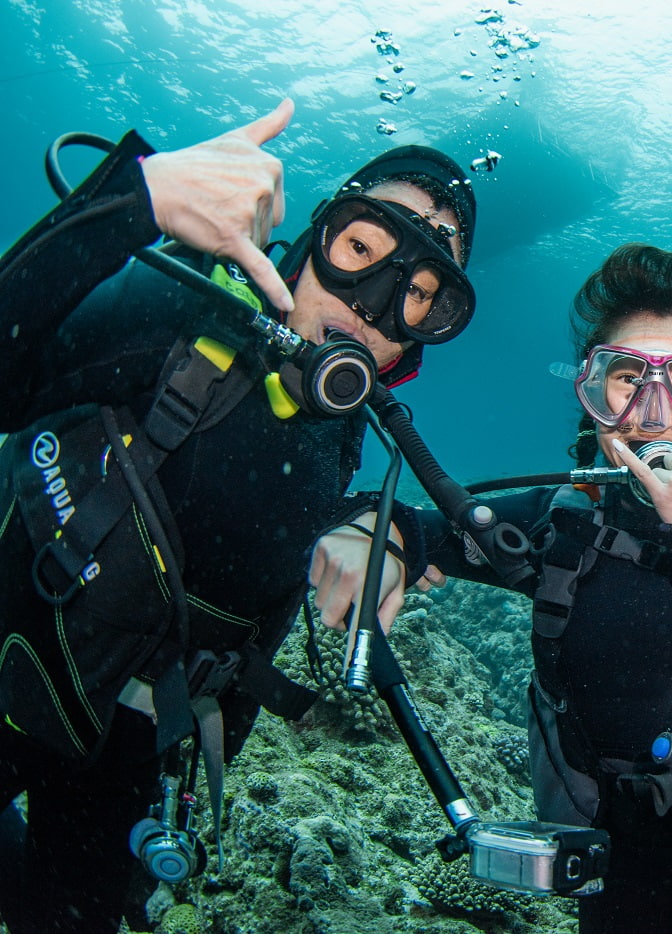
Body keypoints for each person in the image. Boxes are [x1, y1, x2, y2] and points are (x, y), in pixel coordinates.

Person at [310, 243, 672, 933]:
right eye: (626, 379)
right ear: (593, 397)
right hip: (616, 869)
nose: (652, 412)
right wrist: (380, 538)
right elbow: (424, 527)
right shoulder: (565, 524)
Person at [0, 98, 477, 933]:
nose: (370, 305)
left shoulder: (346, 433)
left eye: (418, 294)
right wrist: (134, 202)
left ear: (420, 339)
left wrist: (397, 531)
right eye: (361, 250)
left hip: (125, 757)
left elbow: (488, 535)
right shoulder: (175, 316)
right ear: (311, 241)